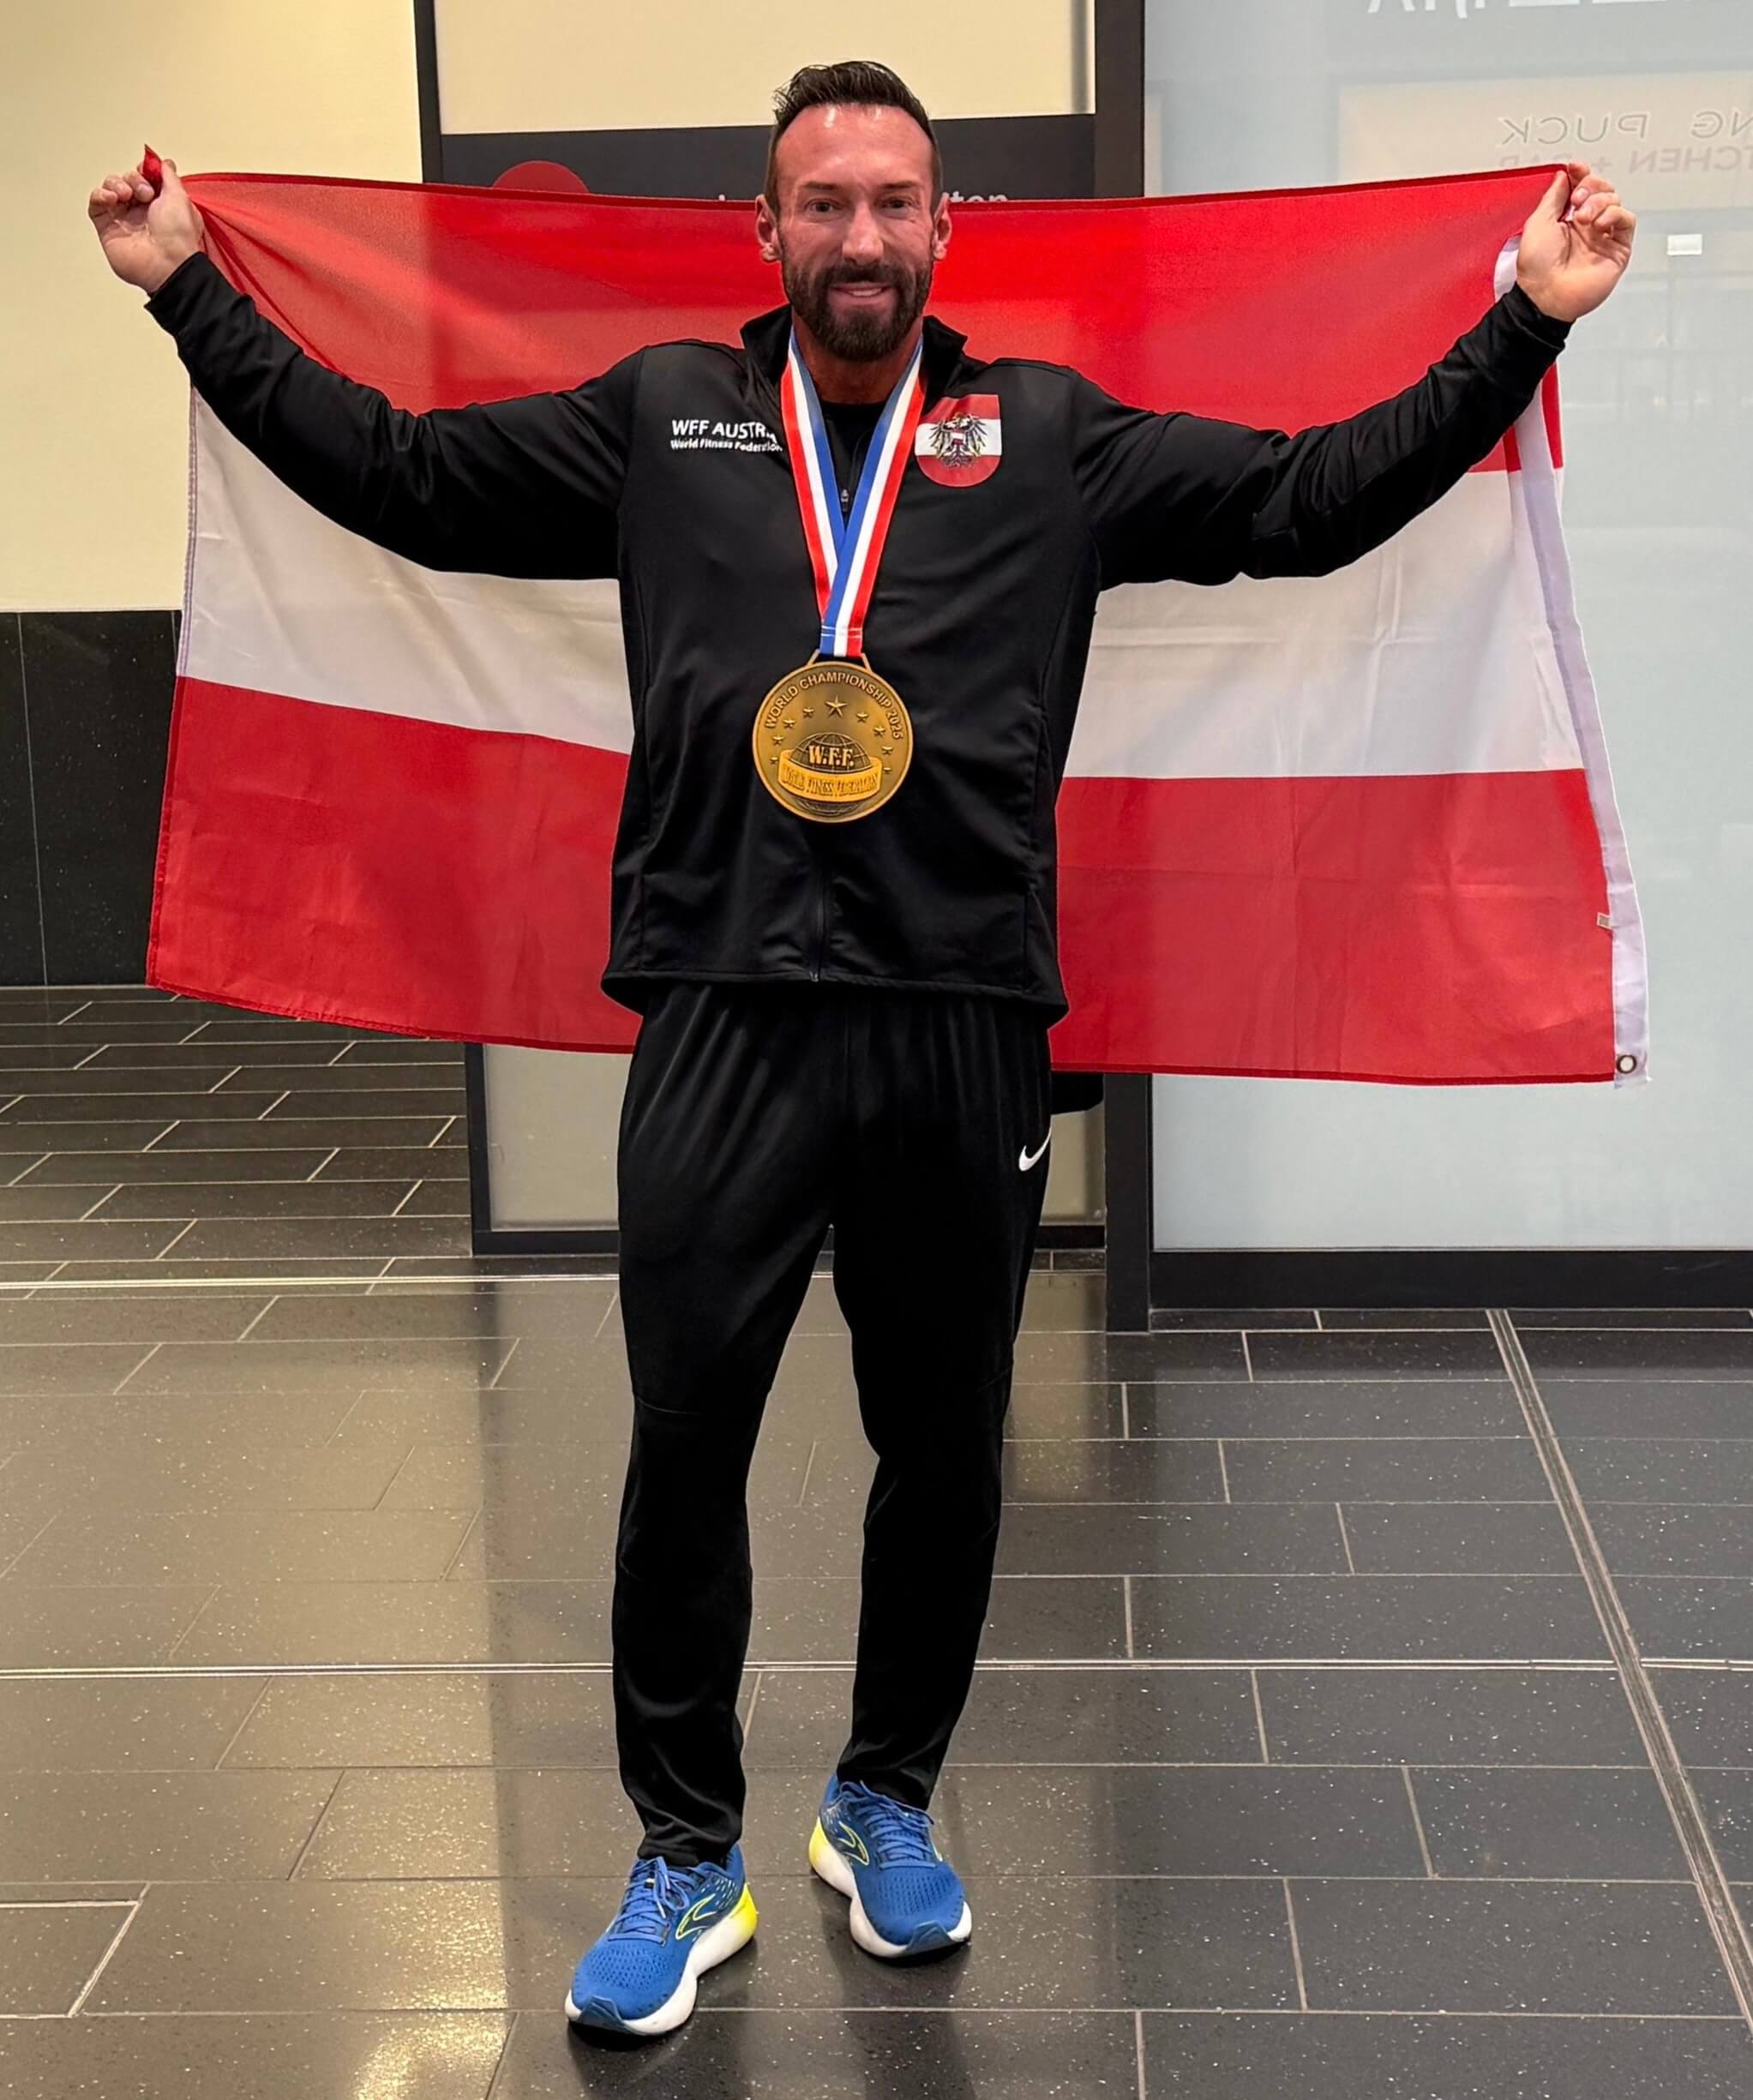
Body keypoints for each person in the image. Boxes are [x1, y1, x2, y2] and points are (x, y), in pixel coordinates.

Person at [90, 58, 1635, 2041]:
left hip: (959, 1028)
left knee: (944, 1450)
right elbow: (401, 473)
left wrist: (1525, 314)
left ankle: (885, 1798)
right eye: (822, 203)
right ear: (768, 228)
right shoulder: (664, 421)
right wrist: (186, 291)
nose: (861, 238)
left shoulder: (1048, 439)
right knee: (685, 1445)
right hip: (724, 1015)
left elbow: (1308, 503)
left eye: (895, 202)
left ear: (942, 231)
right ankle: (683, 1848)